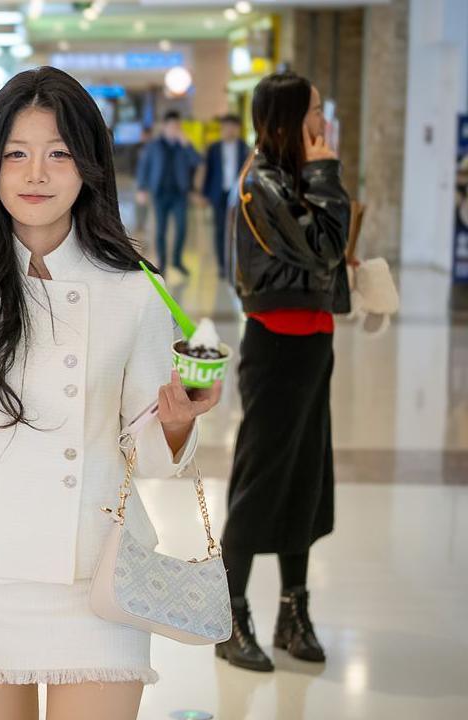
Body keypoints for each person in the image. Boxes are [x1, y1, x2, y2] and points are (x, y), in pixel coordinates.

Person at [0, 67, 222, 720]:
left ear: (88, 168)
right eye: (16, 154)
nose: (36, 174)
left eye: (58, 154)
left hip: (99, 575)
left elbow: (149, 455)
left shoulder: (133, 288)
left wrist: (174, 423)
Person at [216, 72, 350, 673]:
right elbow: (323, 249)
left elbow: (327, 249)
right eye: (315, 111)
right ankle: (230, 613)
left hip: (314, 343)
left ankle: (293, 610)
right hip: (275, 348)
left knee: (305, 477)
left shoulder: (292, 177)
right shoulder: (260, 184)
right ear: (286, 120)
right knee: (261, 479)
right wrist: (326, 177)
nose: (324, 121)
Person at [135, 110, 202, 276]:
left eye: (177, 126)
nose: (174, 129)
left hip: (179, 193)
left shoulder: (183, 145)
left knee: (181, 228)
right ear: (164, 127)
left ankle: (177, 261)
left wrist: (187, 144)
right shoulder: (154, 145)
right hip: (159, 193)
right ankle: (163, 264)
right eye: (171, 126)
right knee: (161, 230)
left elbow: (198, 161)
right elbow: (144, 167)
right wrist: (142, 188)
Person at [201, 114, 250, 278]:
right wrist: (205, 194)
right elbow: (209, 172)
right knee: (220, 229)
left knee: (238, 229)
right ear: (222, 129)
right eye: (227, 127)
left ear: (238, 129)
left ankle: (235, 264)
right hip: (218, 194)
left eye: (233, 127)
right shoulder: (214, 148)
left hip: (238, 195)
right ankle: (222, 265)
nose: (230, 130)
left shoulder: (244, 147)